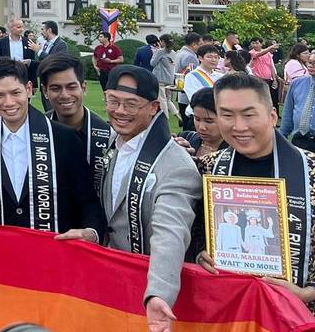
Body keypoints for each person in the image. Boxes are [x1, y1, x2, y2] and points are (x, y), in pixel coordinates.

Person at [87, 65, 199, 332]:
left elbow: (170, 232)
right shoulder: (110, 141)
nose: (120, 111)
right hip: (110, 284)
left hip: (149, 295)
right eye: (113, 101)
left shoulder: (175, 165)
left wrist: (159, 293)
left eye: (131, 104)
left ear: (153, 107)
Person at [196, 72, 315, 314]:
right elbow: (195, 231)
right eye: (227, 115)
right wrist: (200, 254)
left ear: (273, 116)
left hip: (299, 314)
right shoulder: (208, 168)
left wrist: (305, 293)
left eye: (249, 115)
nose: (238, 126)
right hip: (228, 310)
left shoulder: (310, 170)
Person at [0, 58, 105, 238]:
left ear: (28, 89)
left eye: (15, 92)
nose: (8, 103)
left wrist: (91, 232)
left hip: (56, 251)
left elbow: (87, 200)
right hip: (5, 250)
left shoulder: (64, 138)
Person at [38, 54, 114, 192]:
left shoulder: (108, 136)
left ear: (83, 88)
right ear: (45, 91)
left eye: (71, 87)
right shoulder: (35, 131)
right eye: (56, 88)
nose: (65, 95)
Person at [178, 88, 227, 162]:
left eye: (209, 121)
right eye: (197, 119)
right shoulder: (186, 139)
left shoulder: (237, 153)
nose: (201, 127)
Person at [183, 44, 226, 119]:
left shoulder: (221, 76)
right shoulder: (191, 76)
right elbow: (194, 98)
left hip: (216, 115)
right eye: (209, 57)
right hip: (198, 116)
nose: (213, 60)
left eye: (216, 57)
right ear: (200, 58)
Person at [175, 33, 202, 130]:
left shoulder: (181, 52)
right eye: (200, 44)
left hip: (181, 93)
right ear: (194, 44)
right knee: (189, 127)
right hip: (187, 95)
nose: (201, 47)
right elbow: (191, 76)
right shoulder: (190, 56)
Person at [150, 35, 179, 119]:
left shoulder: (160, 52)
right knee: (168, 99)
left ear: (163, 41)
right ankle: (176, 114)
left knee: (162, 99)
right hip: (170, 78)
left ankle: (165, 117)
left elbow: (152, 63)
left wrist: (155, 52)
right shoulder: (173, 52)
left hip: (160, 78)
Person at [248, 37, 281, 106]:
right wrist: (271, 47)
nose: (255, 45)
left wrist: (274, 79)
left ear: (261, 44)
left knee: (269, 98)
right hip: (258, 79)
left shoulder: (268, 54)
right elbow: (259, 54)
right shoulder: (251, 53)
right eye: (253, 43)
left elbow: (271, 66)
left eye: (257, 43)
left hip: (268, 79)